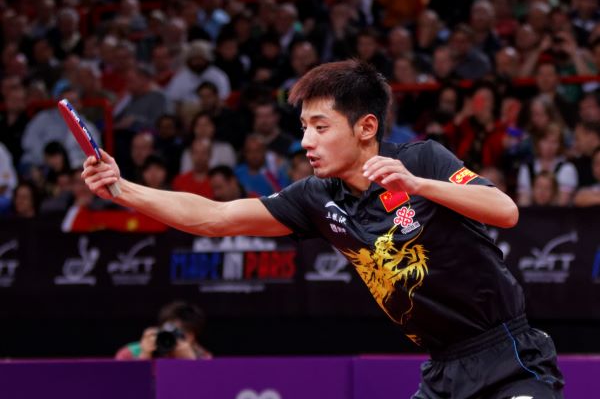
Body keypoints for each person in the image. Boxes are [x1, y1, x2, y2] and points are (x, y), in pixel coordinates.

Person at [83, 60, 563, 398]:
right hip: (442, 371)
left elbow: (504, 210)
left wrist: (419, 184)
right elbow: (215, 217)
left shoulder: (422, 159)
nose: (306, 141)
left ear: (365, 127)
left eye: (320, 127)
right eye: (303, 128)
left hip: (508, 357)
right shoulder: (315, 197)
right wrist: (123, 190)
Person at [115, 301, 211, 360]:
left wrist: (191, 363)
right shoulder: (129, 353)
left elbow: (207, 389)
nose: (172, 338)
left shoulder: (203, 357)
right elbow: (122, 387)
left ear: (192, 336)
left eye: (178, 333)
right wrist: (144, 357)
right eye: (170, 330)